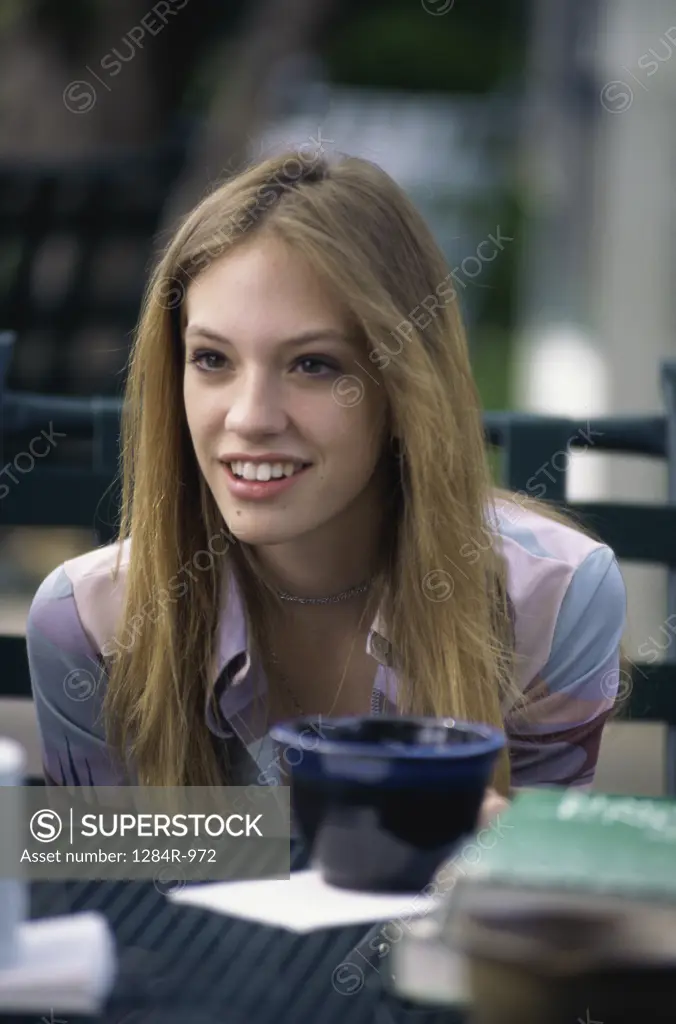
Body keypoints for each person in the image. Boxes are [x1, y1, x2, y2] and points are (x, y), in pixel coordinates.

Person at [26, 148, 626, 827]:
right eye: (212, 359)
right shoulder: (86, 624)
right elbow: (105, 883)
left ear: (404, 389)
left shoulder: (552, 600)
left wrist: (501, 857)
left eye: (314, 364)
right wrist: (360, 841)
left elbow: (545, 901)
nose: (250, 417)